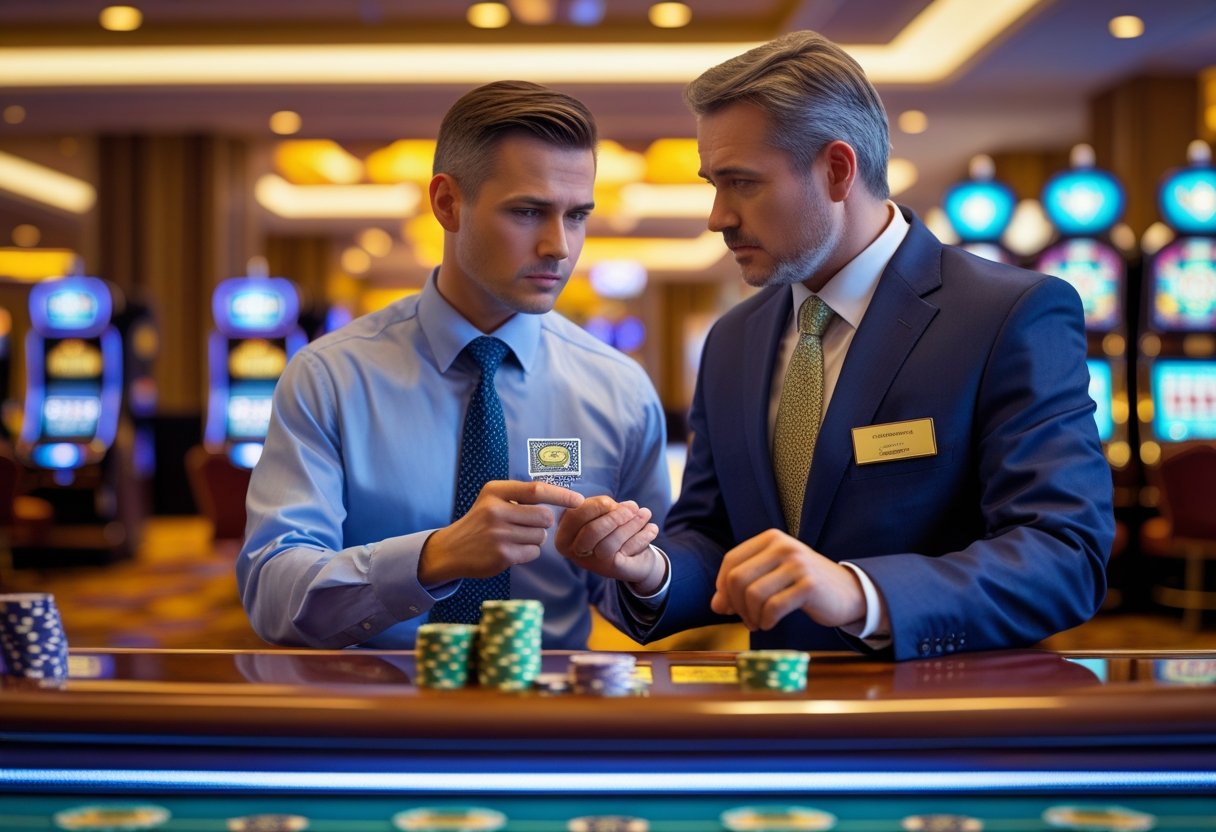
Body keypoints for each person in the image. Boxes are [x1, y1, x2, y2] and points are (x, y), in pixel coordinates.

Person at [556, 31, 1113, 660]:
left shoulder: (1009, 313)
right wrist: (648, 568)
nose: (717, 216)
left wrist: (860, 591)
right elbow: (715, 535)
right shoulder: (734, 339)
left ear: (838, 170)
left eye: (741, 183)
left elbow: (1065, 555)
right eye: (714, 184)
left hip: (943, 721)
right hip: (777, 718)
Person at [238, 81, 671, 650]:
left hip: (552, 716)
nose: (559, 247)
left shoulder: (619, 387)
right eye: (528, 211)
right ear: (447, 203)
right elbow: (272, 593)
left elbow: (654, 586)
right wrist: (434, 557)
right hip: (373, 716)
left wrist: (643, 573)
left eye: (576, 216)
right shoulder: (330, 376)